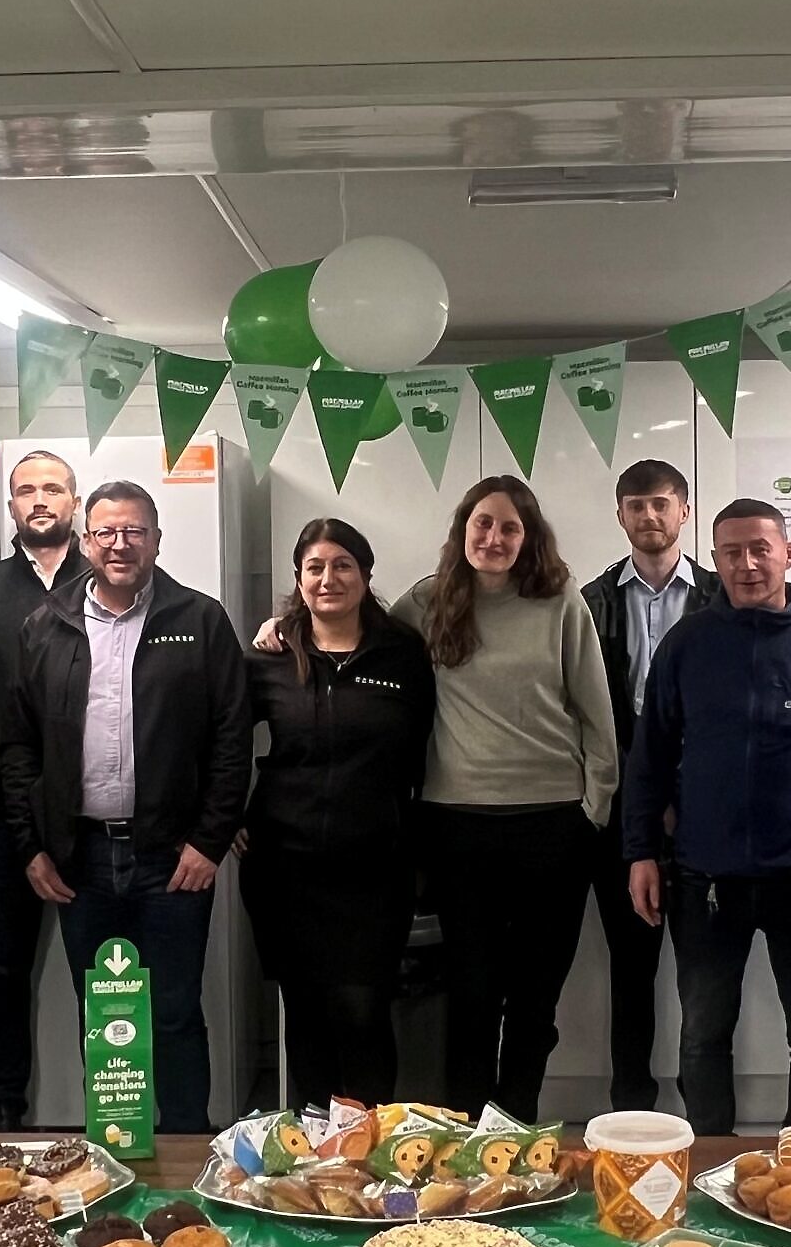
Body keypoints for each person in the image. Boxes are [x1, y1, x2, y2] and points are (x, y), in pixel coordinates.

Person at [3, 481, 250, 1135]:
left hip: (172, 859)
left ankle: (187, 1150)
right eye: (107, 532)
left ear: (156, 541)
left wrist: (210, 841)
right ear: (86, 542)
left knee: (175, 1012)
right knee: (105, 1019)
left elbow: (232, 738)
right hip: (78, 859)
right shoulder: (45, 626)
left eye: (134, 531)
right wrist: (31, 846)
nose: (120, 544)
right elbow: (18, 746)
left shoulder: (200, 620)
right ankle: (118, 1152)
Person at [624, 500, 791, 1135]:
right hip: (706, 880)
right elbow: (649, 757)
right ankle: (707, 1160)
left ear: (788, 554)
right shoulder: (687, 644)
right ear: (716, 561)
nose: (747, 565)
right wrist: (640, 852)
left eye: (760, 550)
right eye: (731, 553)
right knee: (702, 1036)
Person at [395, 476, 619, 1120]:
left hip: (554, 825)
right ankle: (469, 1132)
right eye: (483, 524)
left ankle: (516, 1127)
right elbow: (351, 630)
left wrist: (594, 808)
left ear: (529, 538)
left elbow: (595, 710)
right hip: (457, 827)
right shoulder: (427, 601)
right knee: (472, 994)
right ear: (463, 528)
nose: (493, 538)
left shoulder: (559, 601)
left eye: (510, 528)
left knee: (534, 997)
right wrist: (281, 626)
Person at [242, 518, 436, 1109]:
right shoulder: (270, 658)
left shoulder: (403, 653)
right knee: (306, 1012)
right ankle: (314, 1148)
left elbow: (425, 751)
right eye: (315, 567)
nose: (329, 578)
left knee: (363, 1010)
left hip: (375, 870)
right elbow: (218, 742)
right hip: (285, 869)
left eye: (343, 565)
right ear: (299, 579)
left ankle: (370, 1143)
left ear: (366, 575)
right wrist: (226, 820)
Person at [0, 450, 91, 1129]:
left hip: (93, 812)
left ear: (75, 503)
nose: (40, 500)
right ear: (10, 505)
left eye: (53, 489)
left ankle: (113, 1109)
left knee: (104, 974)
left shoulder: (111, 581)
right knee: (2, 968)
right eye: (26, 490)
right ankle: (3, 1107)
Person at [580, 459, 720, 1111]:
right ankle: (630, 1111)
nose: (649, 515)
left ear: (684, 511)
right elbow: (585, 712)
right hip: (621, 812)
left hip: (703, 814)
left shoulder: (721, 594)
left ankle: (705, 1111)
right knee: (631, 972)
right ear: (620, 515)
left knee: (704, 977)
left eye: (662, 503)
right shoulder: (591, 601)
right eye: (636, 505)